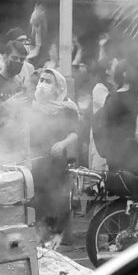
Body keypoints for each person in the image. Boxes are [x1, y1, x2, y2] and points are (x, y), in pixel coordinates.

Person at [27, 69, 80, 248]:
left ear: (58, 87)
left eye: (48, 81)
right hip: (36, 163)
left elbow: (75, 133)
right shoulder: (33, 107)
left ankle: (55, 240)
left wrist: (62, 144)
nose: (42, 84)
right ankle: (38, 239)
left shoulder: (67, 109)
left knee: (57, 200)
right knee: (37, 201)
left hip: (57, 163)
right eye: (41, 79)